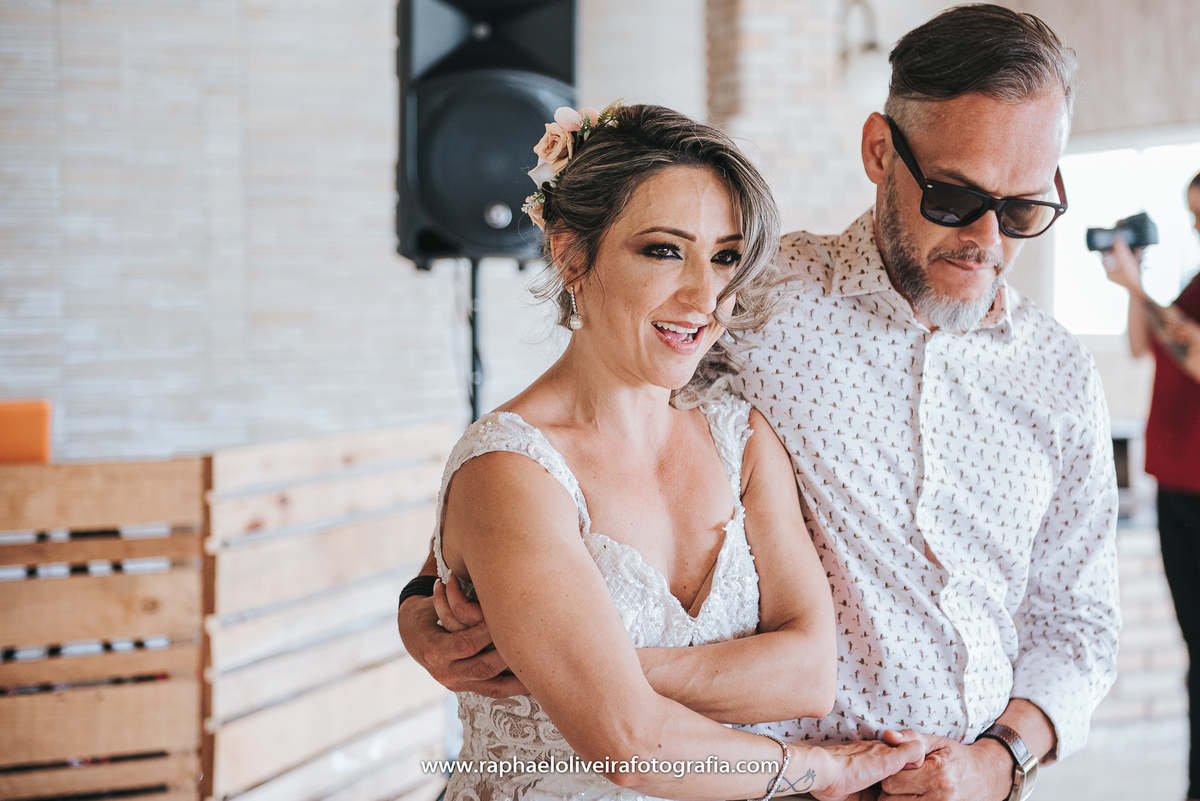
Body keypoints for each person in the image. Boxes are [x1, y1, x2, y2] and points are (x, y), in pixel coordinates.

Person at [400, 7, 1122, 801]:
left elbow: (1080, 623)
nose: (988, 238)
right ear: (880, 152)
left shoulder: (1060, 375)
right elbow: (550, 455)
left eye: (1023, 210)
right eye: (954, 197)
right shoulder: (756, 299)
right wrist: (424, 611)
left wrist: (1002, 760)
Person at [406, 102, 924, 801]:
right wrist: (824, 769)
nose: (705, 294)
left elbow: (808, 675)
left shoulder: (742, 439)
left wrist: (592, 673)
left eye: (725, 257)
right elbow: (628, 741)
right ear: (571, 253)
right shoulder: (511, 469)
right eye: (663, 250)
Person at [1102, 171, 1200, 801]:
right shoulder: (1192, 285)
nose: (1195, 226)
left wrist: (1141, 288)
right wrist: (1130, 287)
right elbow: (1142, 347)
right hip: (1175, 485)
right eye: (1192, 214)